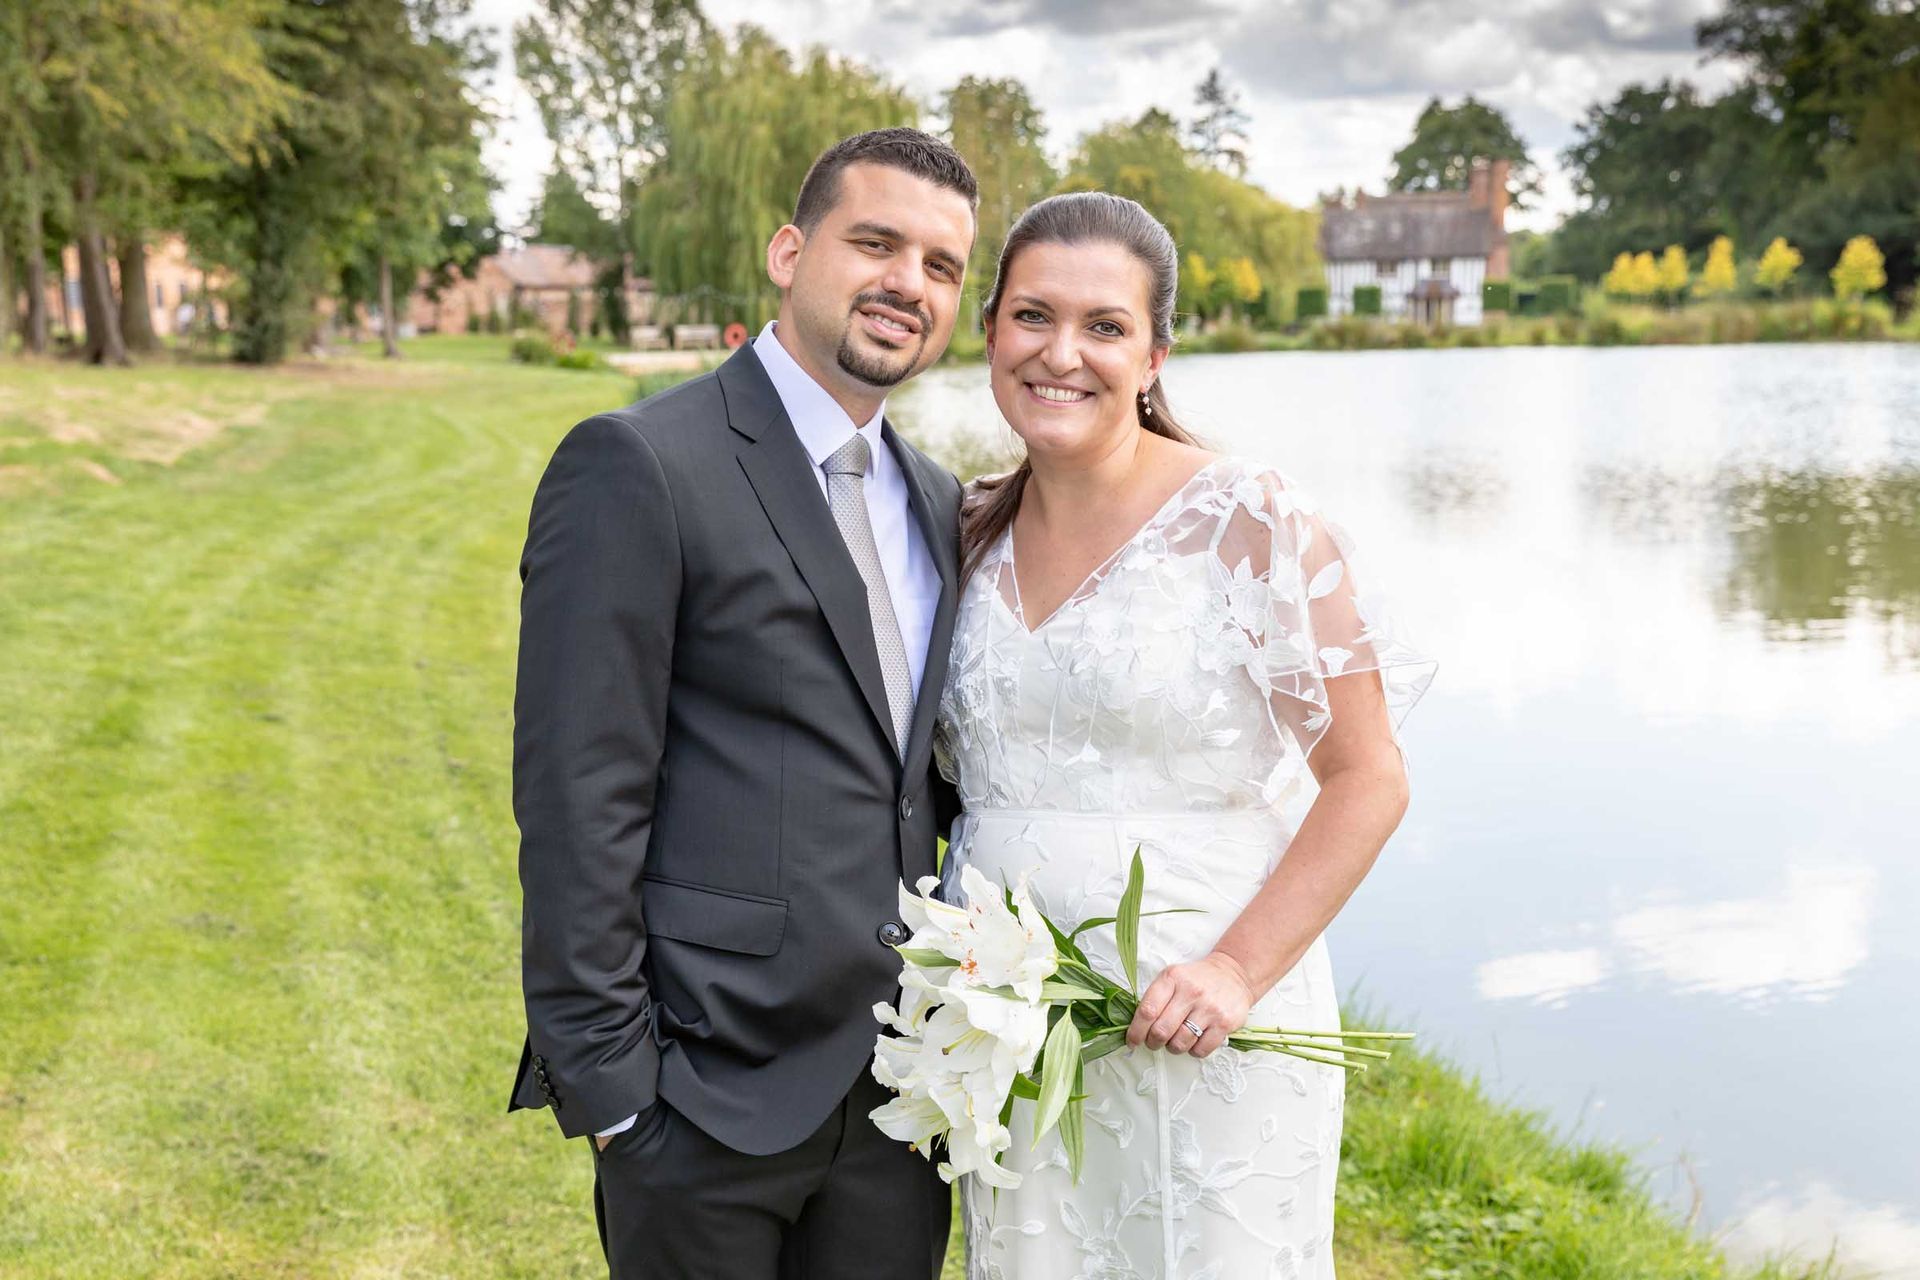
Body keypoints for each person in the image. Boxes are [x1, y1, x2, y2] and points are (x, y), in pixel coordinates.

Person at [936, 191, 1436, 1277]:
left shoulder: (1246, 518)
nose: (1061, 352)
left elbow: (1368, 776)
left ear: (1156, 351)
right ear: (989, 332)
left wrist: (1235, 971)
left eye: (1105, 326)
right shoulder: (965, 526)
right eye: (1031, 316)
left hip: (1206, 1020)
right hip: (1010, 1030)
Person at [509, 128, 976, 1279]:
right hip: (702, 1099)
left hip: (898, 1103)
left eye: (942, 265)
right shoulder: (639, 463)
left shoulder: (939, 500)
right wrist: (621, 1097)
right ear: (788, 250)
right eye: (875, 242)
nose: (905, 283)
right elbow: (578, 798)